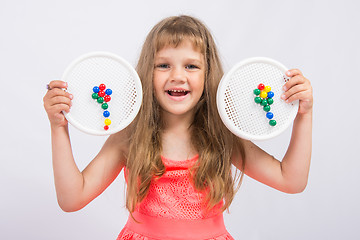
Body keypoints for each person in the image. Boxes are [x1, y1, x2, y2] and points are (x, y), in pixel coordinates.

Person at [43, 15, 313, 240]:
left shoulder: (222, 136)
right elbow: (72, 199)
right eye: (163, 65)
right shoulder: (129, 136)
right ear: (147, 73)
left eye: (191, 66)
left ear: (208, 75)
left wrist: (304, 114)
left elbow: (291, 180)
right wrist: (58, 127)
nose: (177, 76)